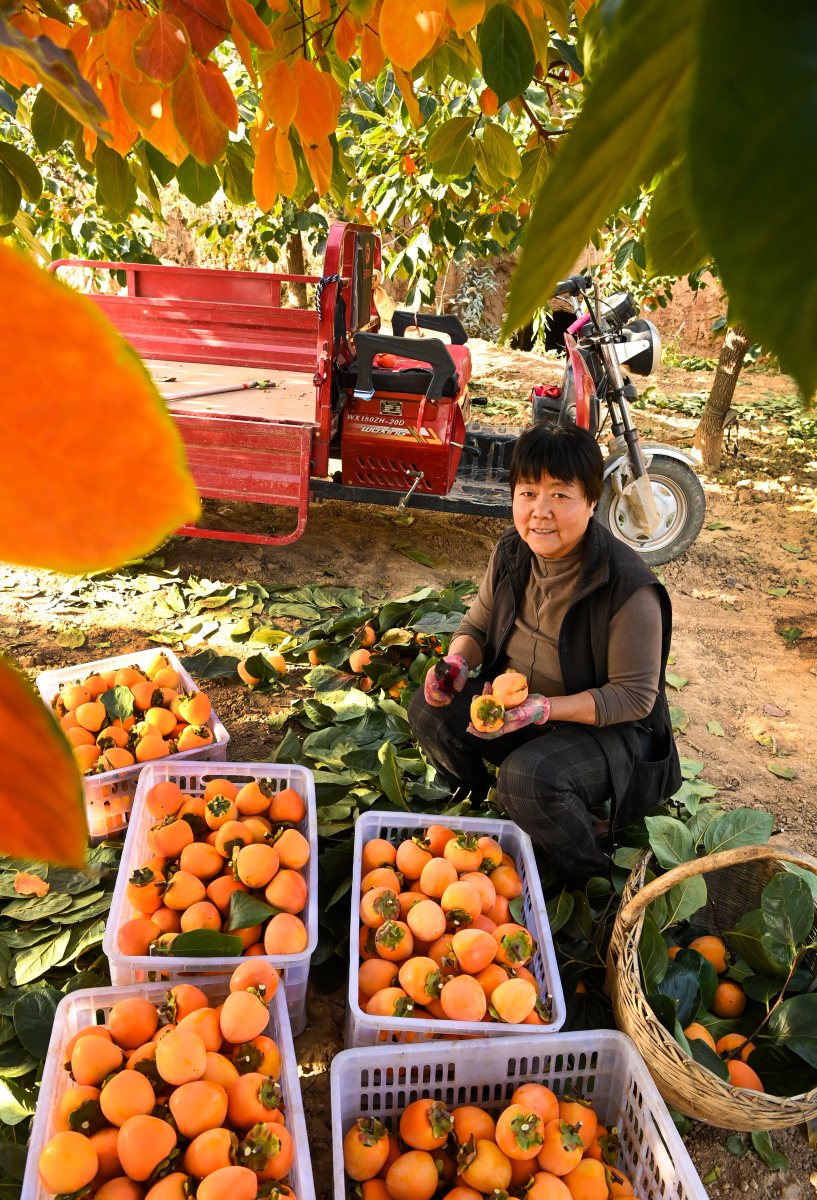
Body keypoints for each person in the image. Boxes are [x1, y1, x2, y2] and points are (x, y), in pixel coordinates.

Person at [409, 423, 682, 886]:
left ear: (593, 501)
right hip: (521, 711)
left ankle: (590, 870)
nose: (540, 511)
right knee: (428, 710)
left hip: (608, 735)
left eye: (560, 495)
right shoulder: (513, 551)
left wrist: (544, 710)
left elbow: (634, 698)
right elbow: (475, 626)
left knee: (527, 778)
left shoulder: (628, 585)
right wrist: (457, 662)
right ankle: (481, 808)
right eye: (528, 492)